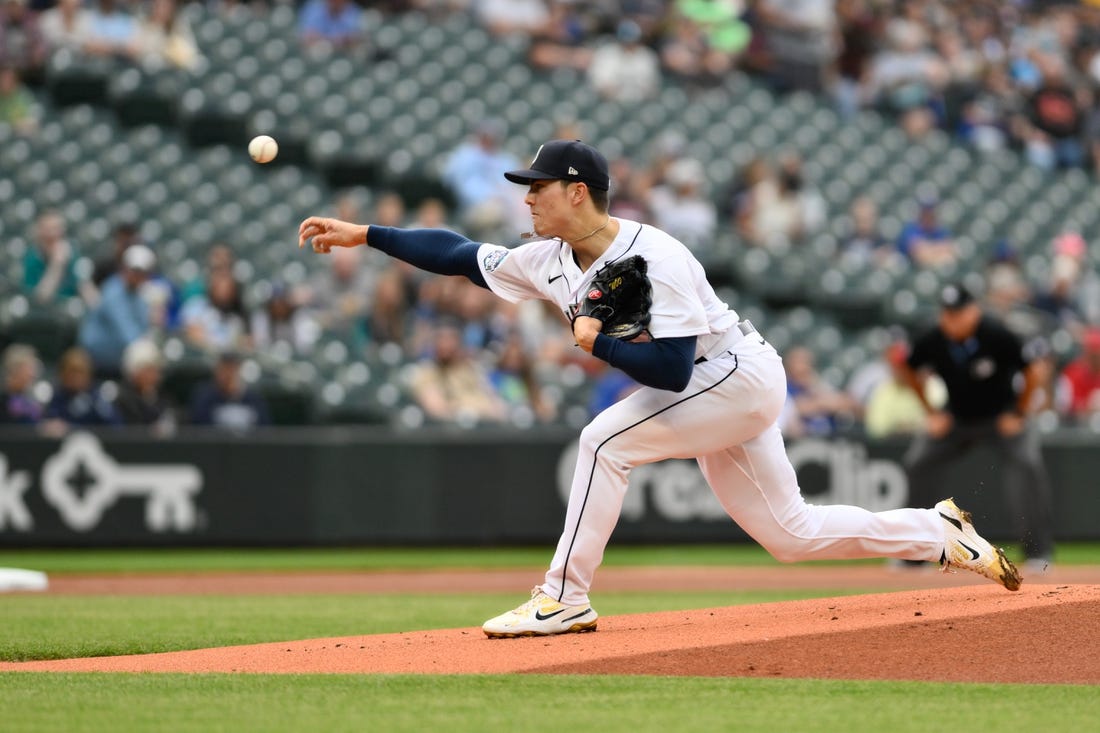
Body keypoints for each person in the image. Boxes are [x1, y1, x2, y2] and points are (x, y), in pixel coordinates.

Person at [298, 138, 1022, 640]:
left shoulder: (653, 257)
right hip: (720, 384)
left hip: (732, 374)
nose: (527, 200)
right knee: (790, 534)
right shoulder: (549, 257)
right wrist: (366, 233)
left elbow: (672, 370)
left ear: (576, 193)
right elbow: (458, 254)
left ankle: (563, 598)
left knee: (603, 439)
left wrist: (599, 345)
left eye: (538, 189)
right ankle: (939, 531)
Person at [898, 283, 1055, 572]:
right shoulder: (934, 338)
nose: (952, 320)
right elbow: (907, 368)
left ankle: (1038, 552)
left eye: (958, 313)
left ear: (973, 312)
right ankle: (913, 555)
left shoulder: (997, 333)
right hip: (956, 418)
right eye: (947, 314)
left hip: (1000, 417)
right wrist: (931, 412)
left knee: (1028, 465)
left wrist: (1019, 412)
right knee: (917, 463)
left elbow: (1034, 370)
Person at [77, 243, 155, 376]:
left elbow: (143, 328)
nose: (137, 276)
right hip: (97, 361)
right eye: (134, 271)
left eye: (141, 272)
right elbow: (127, 332)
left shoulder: (140, 295)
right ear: (124, 269)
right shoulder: (113, 291)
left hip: (119, 363)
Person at [187, 350, 270, 430]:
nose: (228, 374)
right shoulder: (205, 396)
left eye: (232, 369)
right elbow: (198, 428)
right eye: (224, 369)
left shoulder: (254, 398)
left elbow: (264, 429)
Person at [44, 346, 121, 427]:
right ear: (62, 374)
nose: (75, 378)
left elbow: (115, 426)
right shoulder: (56, 398)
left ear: (89, 374)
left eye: (80, 372)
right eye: (71, 372)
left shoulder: (98, 398)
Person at [114, 337, 175, 435]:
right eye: (148, 370)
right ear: (134, 372)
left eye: (156, 370)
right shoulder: (122, 400)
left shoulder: (163, 397)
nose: (154, 376)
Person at [0, 343, 42, 425]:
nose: (33, 374)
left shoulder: (31, 398)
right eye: (29, 368)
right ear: (14, 369)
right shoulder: (3, 400)